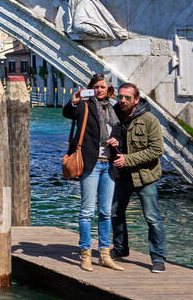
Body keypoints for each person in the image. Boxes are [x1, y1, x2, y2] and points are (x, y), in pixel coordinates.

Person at [62, 73, 124, 272]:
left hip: (109, 165)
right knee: (87, 211)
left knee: (106, 212)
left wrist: (117, 142)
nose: (99, 90)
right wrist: (73, 101)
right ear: (91, 88)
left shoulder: (113, 111)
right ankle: (85, 254)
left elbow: (119, 133)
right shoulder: (84, 106)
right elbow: (67, 113)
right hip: (91, 163)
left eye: (103, 87)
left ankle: (104, 254)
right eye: (96, 86)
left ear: (108, 90)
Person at [111, 82, 167, 273]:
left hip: (145, 176)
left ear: (136, 100)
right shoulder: (113, 115)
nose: (123, 100)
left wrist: (128, 159)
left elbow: (156, 150)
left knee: (152, 218)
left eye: (127, 97)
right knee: (115, 213)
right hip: (121, 175)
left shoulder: (149, 120)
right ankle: (120, 249)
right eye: (120, 97)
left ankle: (158, 258)